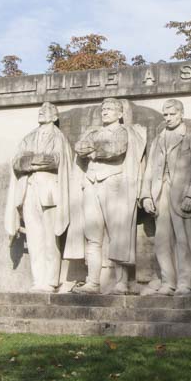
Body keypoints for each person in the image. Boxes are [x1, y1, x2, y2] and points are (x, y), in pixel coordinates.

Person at [69, 98, 146, 294]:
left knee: (117, 233)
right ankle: (93, 282)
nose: (105, 112)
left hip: (114, 183)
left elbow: (115, 150)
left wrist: (93, 151)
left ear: (120, 114)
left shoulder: (123, 132)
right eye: (103, 109)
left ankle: (121, 282)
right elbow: (79, 147)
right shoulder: (93, 132)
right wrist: (95, 150)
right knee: (92, 236)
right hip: (91, 183)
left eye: (110, 109)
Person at [2, 102, 74, 292]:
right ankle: (38, 279)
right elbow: (17, 162)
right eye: (40, 110)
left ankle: (50, 281)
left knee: (50, 239)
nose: (42, 112)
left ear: (54, 116)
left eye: (47, 110)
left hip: (50, 193)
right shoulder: (29, 137)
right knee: (34, 239)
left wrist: (32, 160)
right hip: (29, 192)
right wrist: (35, 161)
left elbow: (56, 160)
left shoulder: (59, 138)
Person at [140, 99, 191, 296]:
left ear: (181, 114)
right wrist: (146, 196)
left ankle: (185, 282)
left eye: (172, 114)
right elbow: (149, 169)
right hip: (161, 195)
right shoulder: (159, 138)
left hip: (182, 196)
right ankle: (168, 282)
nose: (168, 118)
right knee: (162, 242)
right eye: (165, 115)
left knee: (183, 242)